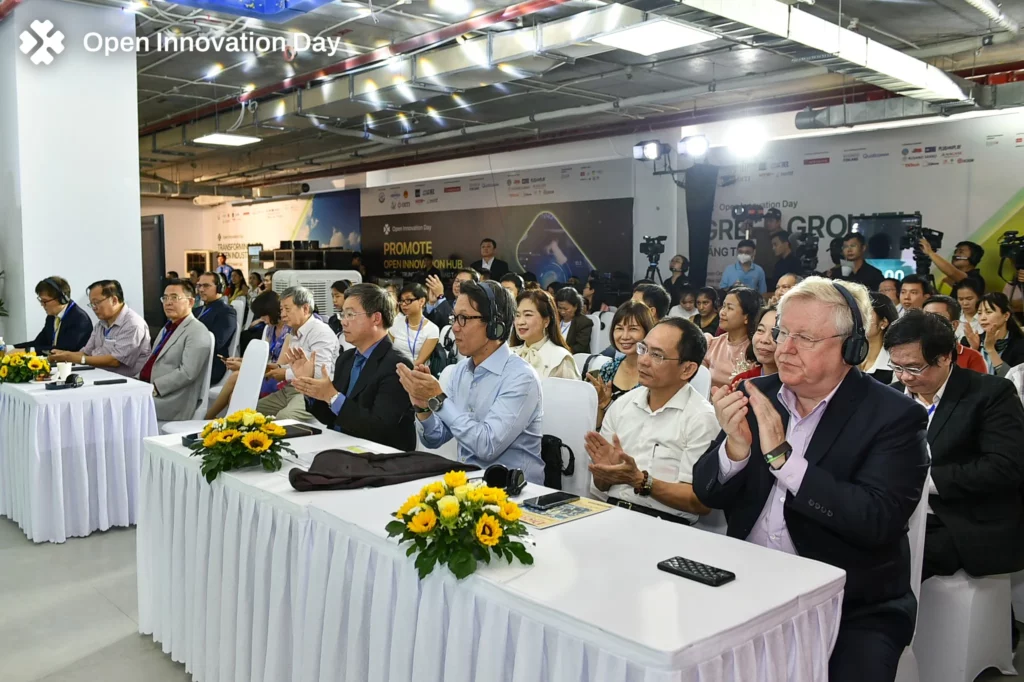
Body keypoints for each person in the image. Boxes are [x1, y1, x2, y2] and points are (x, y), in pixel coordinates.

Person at [693, 277, 930, 682]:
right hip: (746, 580)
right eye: (782, 332)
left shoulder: (894, 416)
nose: (782, 348)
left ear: (851, 347)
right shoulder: (757, 393)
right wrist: (735, 449)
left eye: (804, 338)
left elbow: (876, 520)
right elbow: (706, 490)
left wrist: (784, 460)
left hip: (851, 602)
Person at [883, 310, 1024, 585]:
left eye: (914, 367)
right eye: (897, 367)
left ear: (946, 356)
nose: (904, 377)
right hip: (896, 512)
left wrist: (924, 481)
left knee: (886, 562)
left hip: (960, 519)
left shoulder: (990, 394)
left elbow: (1004, 467)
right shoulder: (888, 395)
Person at [397, 280, 545, 483]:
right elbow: (434, 439)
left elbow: (487, 446)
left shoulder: (521, 378)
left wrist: (438, 399)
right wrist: (423, 407)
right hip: (469, 489)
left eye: (464, 318)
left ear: (495, 325)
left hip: (516, 495)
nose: (454, 328)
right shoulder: (460, 371)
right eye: (454, 318)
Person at [585, 318, 718, 525]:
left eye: (657, 355)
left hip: (666, 525)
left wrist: (640, 480)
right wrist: (605, 471)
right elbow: (601, 486)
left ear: (687, 369)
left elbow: (699, 502)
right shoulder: (622, 406)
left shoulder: (701, 419)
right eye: (643, 349)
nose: (643, 360)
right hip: (611, 512)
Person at [294, 284, 415, 451]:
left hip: (378, 457)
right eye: (343, 314)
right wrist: (310, 387)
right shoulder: (346, 359)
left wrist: (332, 396)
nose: (343, 321)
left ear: (376, 318)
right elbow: (332, 418)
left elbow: (379, 428)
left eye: (350, 314)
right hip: (340, 446)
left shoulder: (396, 364)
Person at [205, 290, 291, 420]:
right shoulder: (269, 329)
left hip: (277, 377)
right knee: (234, 392)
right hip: (265, 373)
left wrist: (243, 365)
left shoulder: (288, 331)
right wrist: (241, 360)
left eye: (264, 315)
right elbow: (263, 358)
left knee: (237, 376)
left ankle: (209, 418)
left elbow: (276, 366)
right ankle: (225, 421)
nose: (262, 319)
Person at [259, 286, 339, 422]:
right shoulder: (294, 332)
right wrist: (278, 369)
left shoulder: (320, 332)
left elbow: (321, 374)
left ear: (305, 309)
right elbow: (297, 366)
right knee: (251, 410)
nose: (282, 314)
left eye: (287, 309)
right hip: (292, 389)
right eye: (281, 310)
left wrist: (285, 374)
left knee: (284, 419)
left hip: (313, 393)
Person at [140, 280, 214, 422]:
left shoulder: (197, 331)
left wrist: (154, 387)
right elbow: (152, 362)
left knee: (120, 407)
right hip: (149, 389)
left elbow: (187, 373)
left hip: (170, 399)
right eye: (165, 298)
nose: (168, 302)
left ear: (191, 302)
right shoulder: (167, 328)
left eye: (174, 298)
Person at [50, 280, 152, 377]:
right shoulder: (101, 324)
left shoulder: (132, 324)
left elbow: (115, 361)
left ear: (114, 300)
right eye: (92, 304)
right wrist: (63, 354)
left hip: (126, 382)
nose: (94, 308)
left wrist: (77, 359)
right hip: (101, 376)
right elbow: (86, 352)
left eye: (96, 303)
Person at [587, 302, 655, 429]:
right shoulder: (609, 369)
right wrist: (600, 405)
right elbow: (597, 425)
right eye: (619, 328)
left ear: (648, 332)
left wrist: (609, 405)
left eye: (633, 329)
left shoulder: (655, 373)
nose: (624, 336)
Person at [511, 290, 580, 380]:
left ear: (546, 321)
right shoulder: (510, 354)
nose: (520, 322)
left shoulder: (560, 358)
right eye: (517, 315)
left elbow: (573, 393)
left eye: (528, 315)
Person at [703, 287, 760, 390]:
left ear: (746, 317)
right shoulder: (711, 344)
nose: (722, 312)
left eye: (730, 308)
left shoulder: (756, 350)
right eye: (723, 306)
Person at [15, 277, 92, 353]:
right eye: (40, 300)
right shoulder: (51, 317)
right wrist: (10, 348)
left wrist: (27, 351)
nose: (42, 305)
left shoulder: (79, 319)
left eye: (45, 301)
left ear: (62, 299)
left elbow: (63, 349)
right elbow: (39, 343)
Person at [923, 296, 988, 374]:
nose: (928, 322)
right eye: (924, 317)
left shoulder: (973, 358)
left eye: (936, 317)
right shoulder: (914, 353)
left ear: (954, 324)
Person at [195, 272, 238, 385]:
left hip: (211, 364)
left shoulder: (226, 312)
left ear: (219, 288)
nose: (201, 289)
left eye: (206, 286)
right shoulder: (197, 310)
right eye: (199, 285)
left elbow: (218, 342)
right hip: (195, 359)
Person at [972, 292, 1024, 377]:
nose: (983, 318)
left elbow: (1015, 381)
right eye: (979, 313)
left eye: (988, 312)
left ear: (1006, 315)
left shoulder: (1020, 345)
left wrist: (990, 349)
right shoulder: (971, 341)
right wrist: (973, 350)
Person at [390, 283, 440, 366]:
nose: (404, 304)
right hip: (393, 370)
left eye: (408, 300)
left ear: (422, 301)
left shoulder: (432, 329)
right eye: (402, 300)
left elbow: (420, 361)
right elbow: (388, 351)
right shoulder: (395, 322)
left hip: (417, 373)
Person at [917, 239, 987, 294]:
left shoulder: (975, 279)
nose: (955, 255)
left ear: (973, 257)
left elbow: (952, 272)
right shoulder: (948, 281)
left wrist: (930, 252)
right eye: (955, 252)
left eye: (961, 252)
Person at [732, 307, 778, 384]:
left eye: (775, 333)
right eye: (760, 330)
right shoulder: (742, 381)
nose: (764, 340)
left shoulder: (799, 388)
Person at [861, 292, 899, 385]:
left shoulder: (896, 361)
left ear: (883, 322)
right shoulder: (849, 354)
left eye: (866, 314)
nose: (859, 320)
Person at [554, 286, 594, 355]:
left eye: (566, 309)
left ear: (575, 306)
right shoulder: (555, 320)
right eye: (560, 308)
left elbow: (580, 347)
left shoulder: (584, 322)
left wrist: (560, 352)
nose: (562, 312)